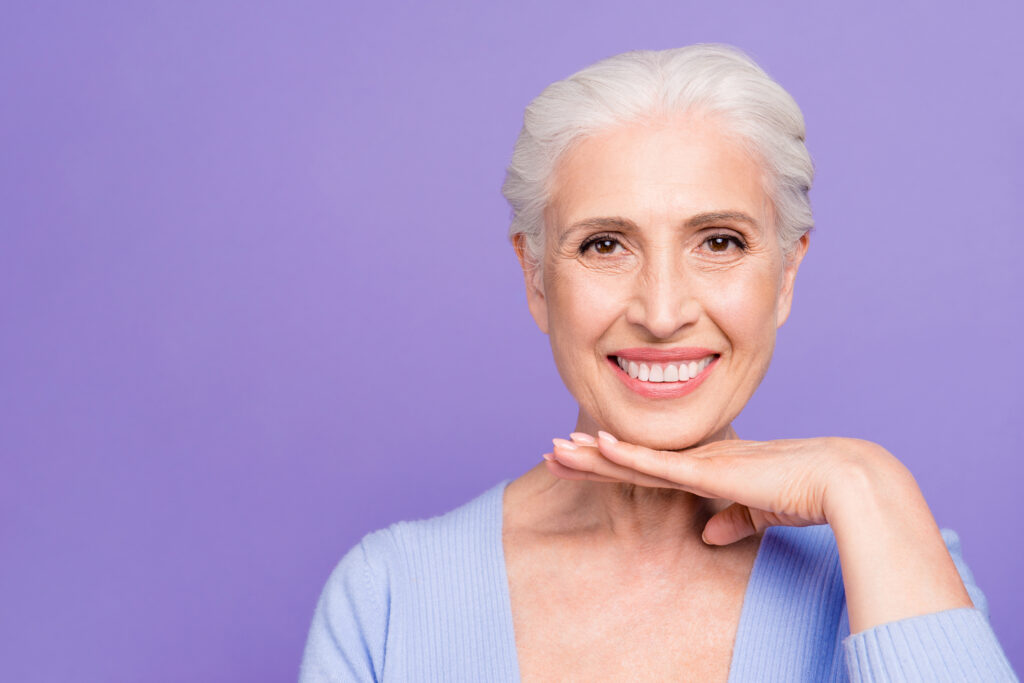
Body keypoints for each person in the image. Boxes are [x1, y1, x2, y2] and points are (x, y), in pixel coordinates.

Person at [299, 45, 1017, 681]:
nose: (663, 310)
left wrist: (868, 479)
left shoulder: (890, 556)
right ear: (536, 278)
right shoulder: (390, 594)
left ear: (787, 276)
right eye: (605, 244)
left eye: (721, 242)